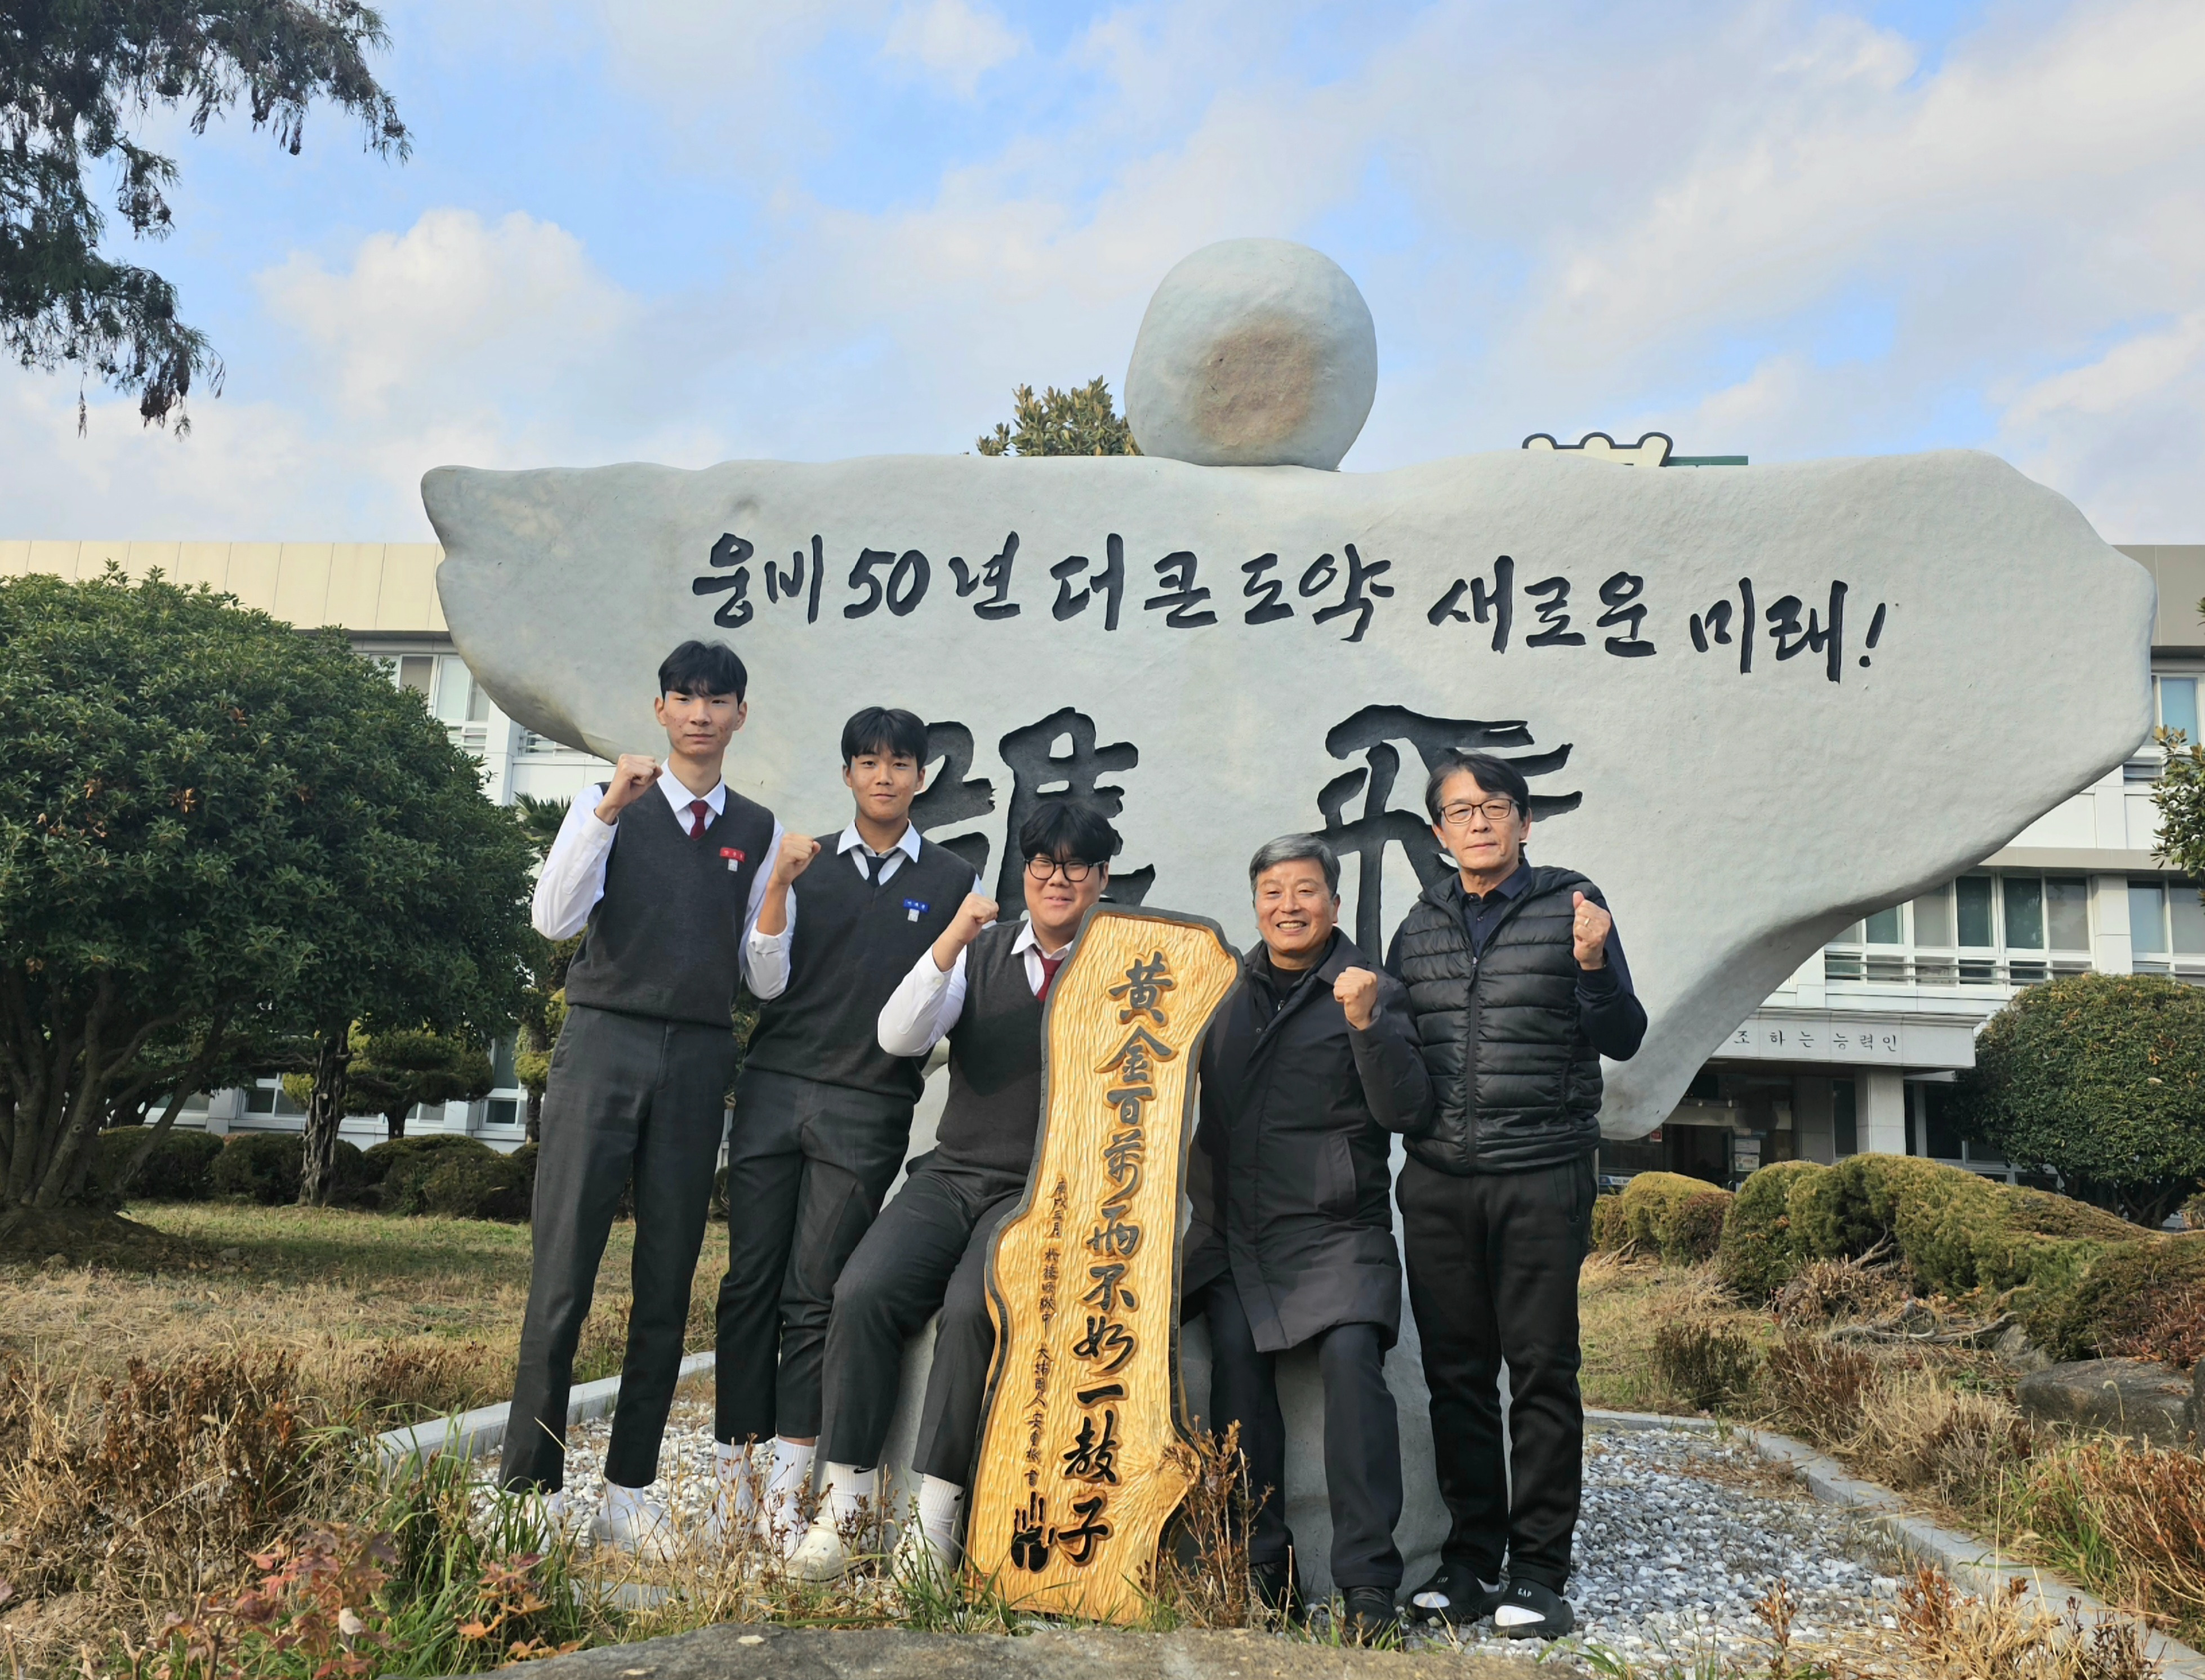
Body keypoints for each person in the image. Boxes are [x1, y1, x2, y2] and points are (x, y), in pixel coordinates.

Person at [785, 804, 1119, 1581]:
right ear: (1023, 872)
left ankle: (934, 1526)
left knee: (974, 1308)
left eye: (1077, 866)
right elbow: (900, 1036)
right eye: (1042, 863)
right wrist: (949, 943)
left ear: (1103, 879)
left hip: (1045, 1192)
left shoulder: (1121, 965)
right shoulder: (982, 948)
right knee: (863, 1290)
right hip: (954, 1170)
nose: (1057, 879)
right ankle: (845, 1511)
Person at [500, 640, 784, 1549]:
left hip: (701, 1055)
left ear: (743, 714)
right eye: (684, 697)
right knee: (562, 1276)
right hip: (603, 1042)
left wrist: (781, 894)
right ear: (660, 710)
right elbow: (553, 920)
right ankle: (527, 1493)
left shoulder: (760, 827)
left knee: (666, 1281)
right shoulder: (609, 803)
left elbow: (762, 973)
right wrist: (607, 812)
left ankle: (630, 1490)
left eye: (719, 699)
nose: (701, 713)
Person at [1384, 751, 1647, 1639]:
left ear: (1525, 823)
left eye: (1495, 807)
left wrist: (1594, 964)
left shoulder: (1572, 905)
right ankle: (1469, 1560)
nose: (1480, 822)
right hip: (1440, 1182)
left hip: (1541, 1173)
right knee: (1457, 1375)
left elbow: (1623, 1035)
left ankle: (1538, 1571)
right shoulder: (1417, 927)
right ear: (1439, 835)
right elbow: (1400, 1055)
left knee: (1539, 1371)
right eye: (1461, 812)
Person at [714, 707, 979, 1550]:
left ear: (922, 778)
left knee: (815, 1291)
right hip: (773, 1089)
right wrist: (781, 886)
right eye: (869, 762)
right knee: (747, 1284)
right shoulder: (803, 859)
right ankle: (734, 1476)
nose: (886, 776)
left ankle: (791, 1485)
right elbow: (762, 981)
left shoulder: (951, 880)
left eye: (902, 763)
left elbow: (942, 1009)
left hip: (868, 1106)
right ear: (848, 775)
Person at [1182, 835, 1432, 1643]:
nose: (1289, 907)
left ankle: (1368, 1588)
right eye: (1273, 893)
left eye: (1306, 891)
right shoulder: (1218, 985)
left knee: (1356, 1370)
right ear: (1255, 903)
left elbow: (1405, 1110)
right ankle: (1262, 1577)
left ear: (1332, 900)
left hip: (1336, 1229)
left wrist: (1367, 1025)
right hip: (1236, 1233)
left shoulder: (1371, 988)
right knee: (1237, 1389)